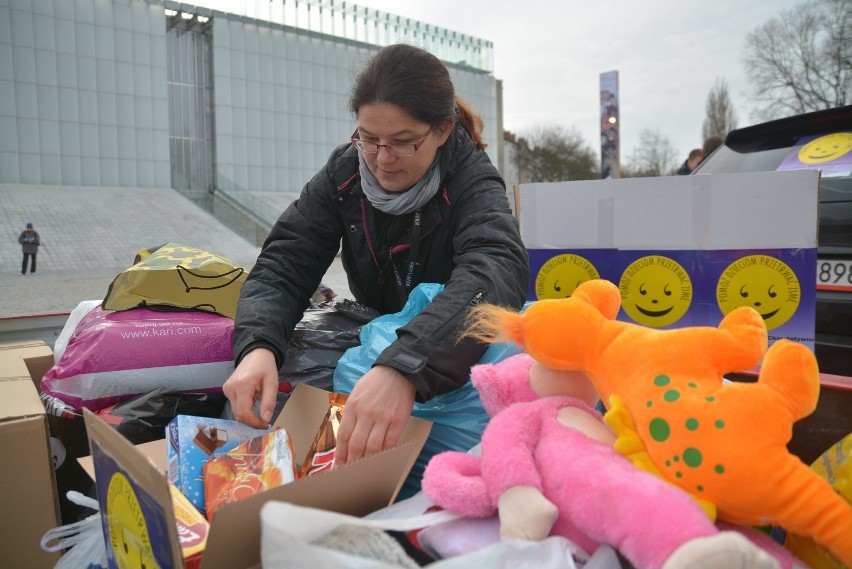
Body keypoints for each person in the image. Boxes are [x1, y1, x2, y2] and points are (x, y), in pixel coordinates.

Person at [223, 44, 530, 468]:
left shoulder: (472, 181)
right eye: (369, 138)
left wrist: (403, 369)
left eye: (404, 143)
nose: (382, 159)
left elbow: (494, 272)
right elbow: (285, 264)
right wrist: (257, 346)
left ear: (442, 131)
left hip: (441, 350)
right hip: (374, 340)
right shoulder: (345, 172)